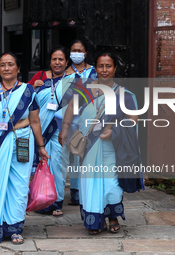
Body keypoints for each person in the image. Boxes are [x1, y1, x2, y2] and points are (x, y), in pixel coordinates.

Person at [0, 52, 49, 244]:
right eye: (3, 65)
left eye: (10, 64)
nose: (6, 68)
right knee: (0, 183)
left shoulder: (28, 91)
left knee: (20, 185)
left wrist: (41, 146)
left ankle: (15, 228)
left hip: (22, 141)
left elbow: (35, 121)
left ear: (18, 69)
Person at [61, 52, 141, 235]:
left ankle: (112, 216)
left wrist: (114, 130)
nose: (104, 70)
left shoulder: (124, 94)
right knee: (91, 183)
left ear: (115, 69)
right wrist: (65, 128)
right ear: (95, 68)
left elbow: (133, 119)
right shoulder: (84, 89)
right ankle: (95, 220)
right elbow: (71, 108)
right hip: (89, 146)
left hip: (113, 148)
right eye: (101, 66)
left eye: (108, 66)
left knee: (112, 185)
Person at [27, 45, 69, 216]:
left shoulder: (72, 80)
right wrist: (32, 87)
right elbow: (26, 98)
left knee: (57, 166)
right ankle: (40, 198)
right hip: (39, 131)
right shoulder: (40, 77)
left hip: (59, 131)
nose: (57, 62)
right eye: (54, 59)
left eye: (61, 59)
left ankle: (56, 201)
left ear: (67, 62)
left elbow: (76, 107)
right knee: (39, 166)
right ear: (50, 61)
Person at [62, 39, 97, 206]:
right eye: (73, 50)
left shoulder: (93, 72)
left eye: (79, 50)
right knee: (62, 156)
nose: (76, 53)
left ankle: (78, 192)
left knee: (80, 155)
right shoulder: (63, 72)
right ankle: (56, 194)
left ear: (85, 53)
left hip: (84, 119)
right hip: (64, 118)